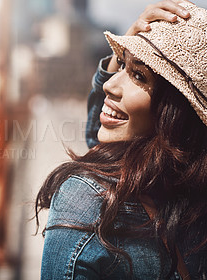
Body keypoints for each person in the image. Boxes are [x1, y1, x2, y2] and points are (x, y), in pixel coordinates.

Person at [36, 0, 207, 279]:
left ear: (175, 113)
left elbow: (102, 142)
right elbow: (107, 137)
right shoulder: (190, 196)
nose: (109, 84)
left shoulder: (88, 201)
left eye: (138, 75)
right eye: (121, 66)